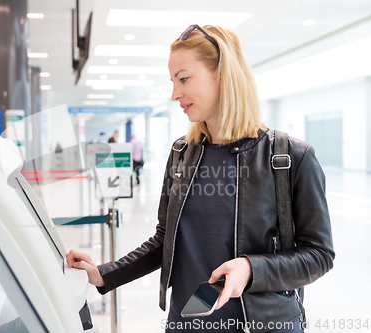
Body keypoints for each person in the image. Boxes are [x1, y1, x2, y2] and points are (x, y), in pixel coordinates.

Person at [67, 25, 334, 333]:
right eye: (172, 81)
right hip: (188, 322)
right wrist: (104, 274)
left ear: (222, 74)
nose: (174, 93)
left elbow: (319, 255)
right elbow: (165, 239)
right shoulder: (182, 153)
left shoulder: (289, 157)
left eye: (183, 79)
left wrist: (251, 268)